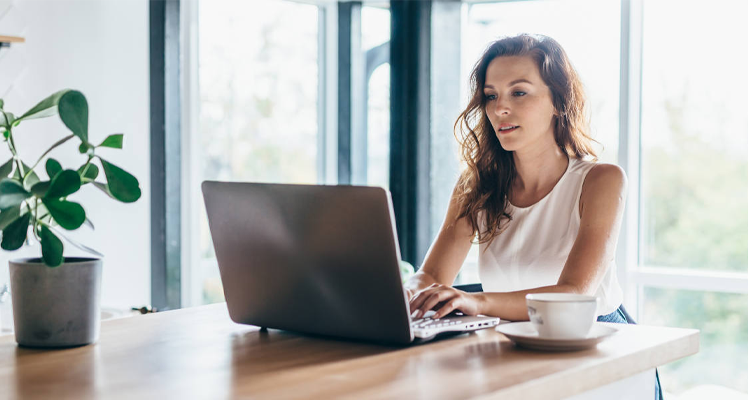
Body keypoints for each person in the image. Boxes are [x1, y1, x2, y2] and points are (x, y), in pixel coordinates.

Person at [403, 34, 662, 399]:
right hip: (511, 347)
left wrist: (475, 302)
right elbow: (430, 276)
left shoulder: (601, 180)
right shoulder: (475, 185)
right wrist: (406, 294)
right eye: (491, 96)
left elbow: (574, 294)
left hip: (600, 351)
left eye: (519, 92)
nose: (499, 109)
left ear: (558, 100)